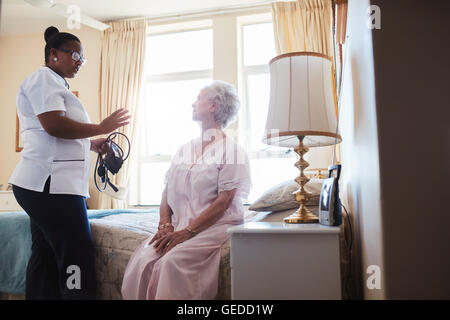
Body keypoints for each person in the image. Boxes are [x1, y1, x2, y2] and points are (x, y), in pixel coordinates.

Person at [9, 26, 131, 300]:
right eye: (75, 54)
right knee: (75, 253)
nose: (79, 62)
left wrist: (90, 143)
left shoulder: (56, 84)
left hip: (47, 185)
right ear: (54, 54)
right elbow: (53, 126)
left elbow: (50, 135)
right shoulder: (43, 78)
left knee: (46, 253)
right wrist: (100, 126)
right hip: (50, 186)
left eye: (82, 58)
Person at [121, 81, 251, 300]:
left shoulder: (232, 150)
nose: (193, 103)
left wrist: (187, 232)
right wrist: (165, 224)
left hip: (215, 225)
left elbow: (224, 201)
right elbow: (167, 190)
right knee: (144, 259)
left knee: (172, 262)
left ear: (214, 106)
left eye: (199, 98)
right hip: (180, 224)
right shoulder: (185, 148)